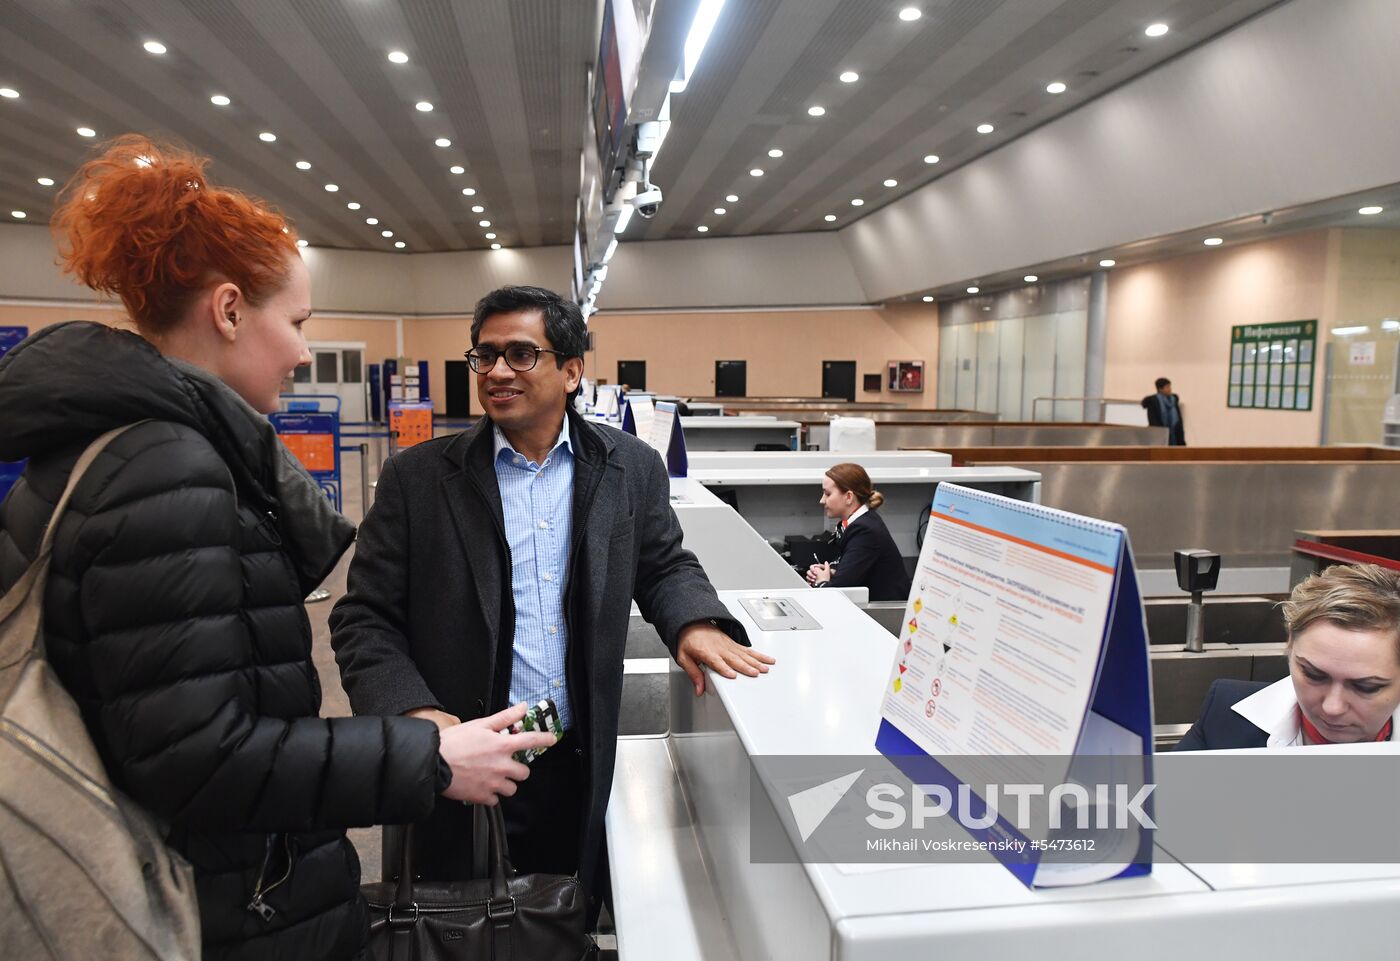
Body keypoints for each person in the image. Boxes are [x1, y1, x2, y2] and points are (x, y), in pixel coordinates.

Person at [0, 136, 552, 961]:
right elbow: (201, 757)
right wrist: (430, 756)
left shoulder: (114, 445)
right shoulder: (165, 468)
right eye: (293, 323)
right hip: (217, 907)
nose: (301, 352)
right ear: (227, 310)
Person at [330, 285, 774, 909]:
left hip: (576, 753)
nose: (497, 372)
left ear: (571, 371)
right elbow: (364, 619)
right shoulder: (419, 480)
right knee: (455, 927)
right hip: (466, 756)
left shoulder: (630, 467)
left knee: (568, 913)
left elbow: (663, 562)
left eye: (520, 354)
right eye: (484, 356)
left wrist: (693, 621)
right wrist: (420, 723)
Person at [1175, 563, 1400, 750]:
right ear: (1290, 642)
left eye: (1366, 687)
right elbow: (1158, 800)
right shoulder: (1227, 715)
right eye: (1313, 675)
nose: (1333, 707)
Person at [805, 463, 911, 602]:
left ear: (849, 497)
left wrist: (821, 582)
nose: (822, 500)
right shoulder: (862, 522)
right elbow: (855, 570)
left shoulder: (864, 531)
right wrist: (830, 572)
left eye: (828, 494)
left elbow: (835, 595)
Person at [1141, 376, 1186, 445]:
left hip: (1175, 436)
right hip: (1160, 437)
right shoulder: (1154, 402)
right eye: (1167, 387)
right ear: (1160, 389)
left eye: (1170, 386)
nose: (1170, 389)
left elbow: (1179, 421)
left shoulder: (1173, 400)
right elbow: (1153, 422)